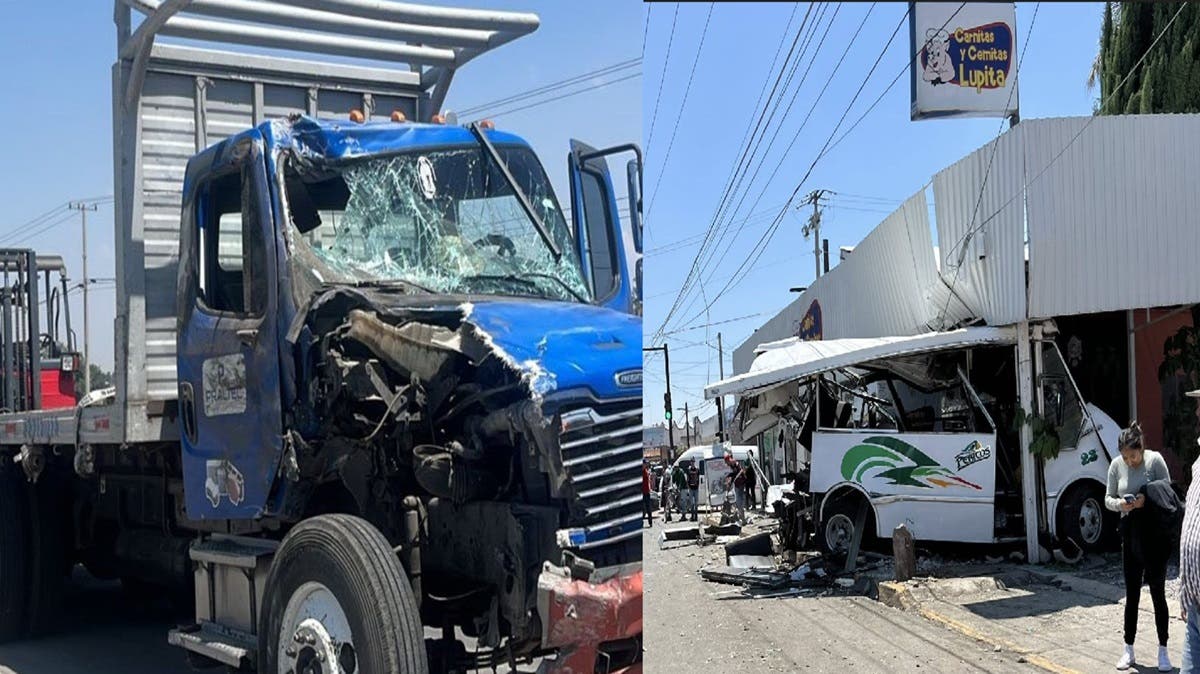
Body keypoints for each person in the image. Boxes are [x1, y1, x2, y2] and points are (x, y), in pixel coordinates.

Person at [1106, 421, 1172, 671]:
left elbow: (1168, 492)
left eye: (1133, 456)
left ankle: (1163, 650)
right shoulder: (1116, 465)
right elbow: (1107, 498)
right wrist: (1121, 505)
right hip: (1130, 534)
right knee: (1131, 594)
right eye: (1125, 457)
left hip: (1154, 535)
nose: (1129, 461)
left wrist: (1146, 498)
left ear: (1141, 448)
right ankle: (1128, 649)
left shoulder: (1155, 461)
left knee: (1158, 593)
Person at [1178, 388, 1200, 674]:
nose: (1197, 412)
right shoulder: (1198, 463)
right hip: (1195, 606)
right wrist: (1185, 590)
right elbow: (1190, 526)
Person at [642, 461, 653, 528]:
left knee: (648, 508)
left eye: (645, 464)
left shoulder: (646, 471)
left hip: (646, 492)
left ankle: (650, 522)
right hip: (642, 492)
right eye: (644, 463)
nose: (645, 464)